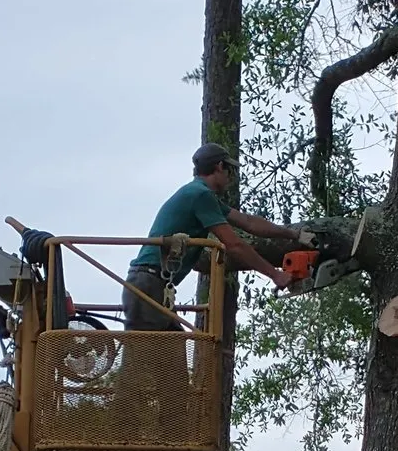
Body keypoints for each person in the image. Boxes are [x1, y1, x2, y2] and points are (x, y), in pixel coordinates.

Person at [122, 142, 315, 331]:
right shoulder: (200, 195)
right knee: (142, 360)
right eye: (229, 171)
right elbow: (234, 245)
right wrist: (276, 275)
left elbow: (248, 222)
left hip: (154, 287)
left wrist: (293, 234)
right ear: (219, 167)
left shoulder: (200, 194)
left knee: (175, 362)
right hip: (149, 286)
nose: (230, 178)